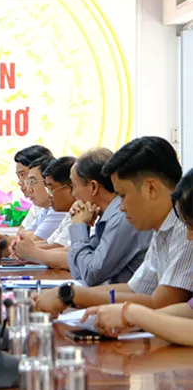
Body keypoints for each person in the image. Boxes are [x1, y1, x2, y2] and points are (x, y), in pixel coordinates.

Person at [34, 136, 193, 315]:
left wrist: (73, 296)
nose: (122, 207)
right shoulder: (160, 228)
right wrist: (67, 294)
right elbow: (135, 289)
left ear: (151, 188)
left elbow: (160, 304)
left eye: (123, 195)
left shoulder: (184, 229)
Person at [81, 166, 193, 342]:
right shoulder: (159, 231)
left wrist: (133, 315)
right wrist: (131, 319)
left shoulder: (177, 231)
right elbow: (188, 310)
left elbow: (94, 271)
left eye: (123, 196)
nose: (189, 236)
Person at [66, 148, 151, 286]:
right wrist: (83, 227)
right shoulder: (107, 216)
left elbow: (90, 275)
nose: (73, 194)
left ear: (93, 187)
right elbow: (78, 272)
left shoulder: (122, 216)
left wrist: (78, 225)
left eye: (74, 186)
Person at [0, 145, 53, 256]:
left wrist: (7, 242)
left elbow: (31, 241)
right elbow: (22, 234)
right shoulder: (39, 206)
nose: (20, 182)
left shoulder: (57, 208)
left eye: (23, 175)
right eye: (18, 176)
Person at [10, 156, 76, 268]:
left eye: (50, 189)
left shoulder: (81, 213)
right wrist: (25, 252)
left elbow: (74, 256)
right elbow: (53, 245)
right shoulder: (68, 213)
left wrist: (31, 253)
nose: (28, 188)